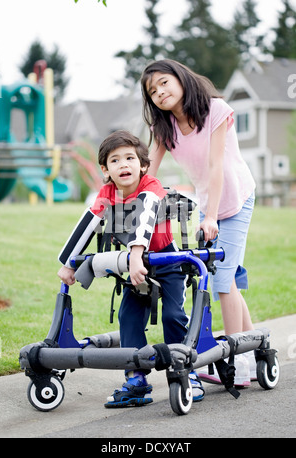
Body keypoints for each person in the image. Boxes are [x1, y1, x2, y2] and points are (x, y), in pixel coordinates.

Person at [57, 130, 205, 407]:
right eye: (115, 160)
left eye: (129, 158)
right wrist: (68, 263)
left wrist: (136, 255)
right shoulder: (107, 193)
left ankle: (184, 370)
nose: (123, 165)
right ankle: (136, 376)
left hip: (166, 260)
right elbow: (87, 223)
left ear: (143, 165)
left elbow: (146, 215)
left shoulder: (152, 186)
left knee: (173, 315)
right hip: (134, 265)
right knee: (128, 316)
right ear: (105, 169)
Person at [141, 59, 257, 386]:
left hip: (235, 198)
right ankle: (253, 348)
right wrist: (132, 197)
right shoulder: (164, 128)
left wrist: (210, 215)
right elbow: (149, 171)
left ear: (180, 78)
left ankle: (237, 361)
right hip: (209, 204)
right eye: (152, 90)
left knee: (222, 281)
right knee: (227, 278)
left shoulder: (215, 110)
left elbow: (216, 165)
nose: (160, 92)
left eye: (164, 82)